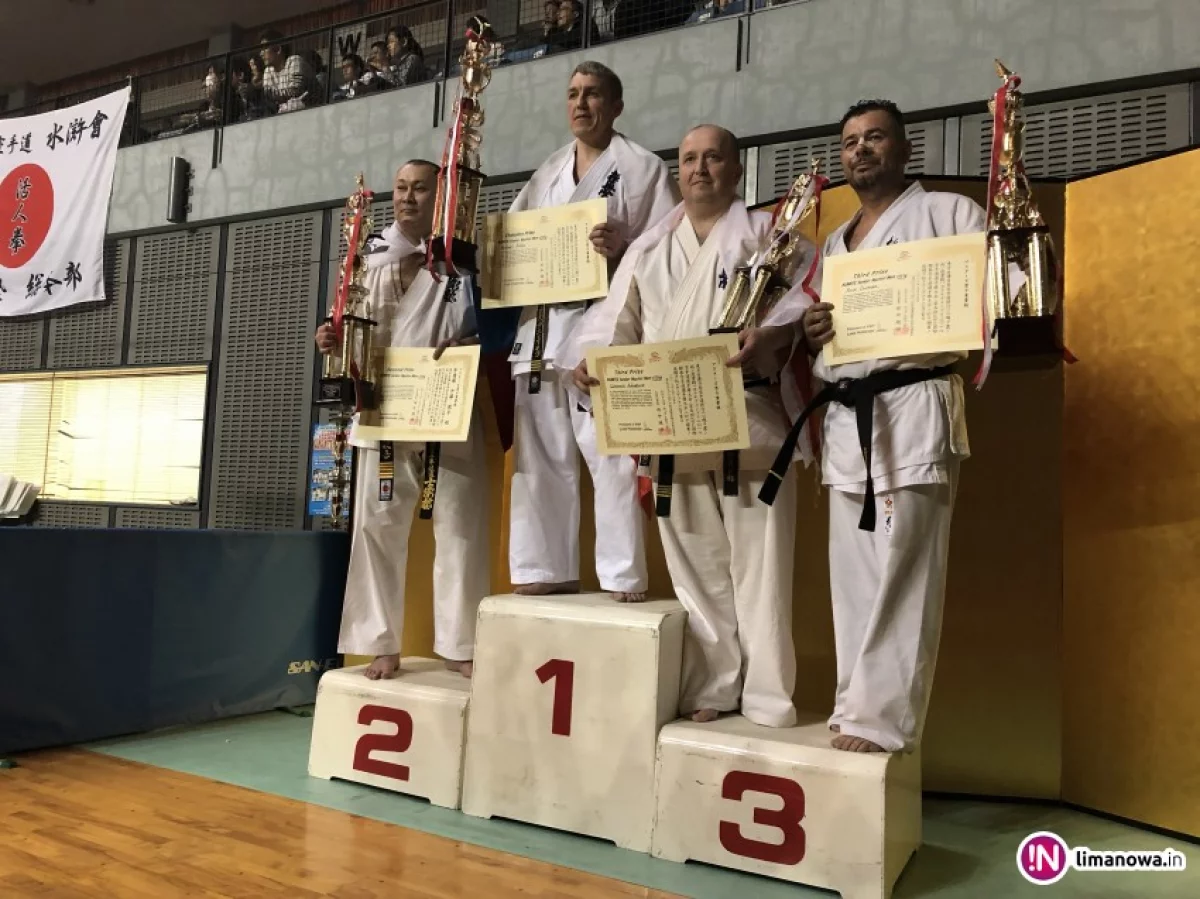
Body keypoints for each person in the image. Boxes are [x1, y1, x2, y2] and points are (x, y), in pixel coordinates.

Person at [566, 125, 818, 728]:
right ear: (677, 172)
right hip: (668, 426)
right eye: (688, 160)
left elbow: (806, 302)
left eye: (712, 158)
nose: (699, 169)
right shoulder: (651, 246)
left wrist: (776, 336)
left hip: (748, 422)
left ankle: (767, 699)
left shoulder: (769, 236)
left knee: (762, 573)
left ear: (736, 170)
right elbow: (614, 321)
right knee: (696, 570)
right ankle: (715, 682)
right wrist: (591, 362)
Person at [797, 100, 984, 752]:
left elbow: (994, 301)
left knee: (906, 574)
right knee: (851, 579)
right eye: (849, 142)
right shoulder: (834, 241)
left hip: (913, 409)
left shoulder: (951, 215)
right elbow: (826, 341)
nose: (860, 150)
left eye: (875, 138)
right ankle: (854, 702)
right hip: (849, 418)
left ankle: (884, 721)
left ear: (904, 149)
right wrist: (815, 331)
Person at [495, 61, 679, 604]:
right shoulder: (548, 171)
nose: (581, 103)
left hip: (602, 329)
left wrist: (623, 245)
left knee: (609, 454)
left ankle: (622, 574)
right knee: (540, 458)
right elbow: (511, 248)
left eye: (594, 94)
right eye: (573, 94)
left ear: (616, 106)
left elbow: (665, 249)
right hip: (541, 330)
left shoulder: (643, 169)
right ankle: (544, 565)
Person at [316, 160, 490, 681]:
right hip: (385, 402)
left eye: (420, 189)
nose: (408, 197)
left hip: (447, 401)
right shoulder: (367, 255)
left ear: (440, 196)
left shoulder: (465, 255)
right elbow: (342, 321)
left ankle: (460, 642)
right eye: (400, 188)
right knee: (376, 526)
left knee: (460, 525)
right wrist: (330, 337)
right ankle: (378, 641)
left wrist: (473, 341)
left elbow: (494, 323)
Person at [257, 30, 318, 113]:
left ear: (278, 49)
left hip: (307, 110)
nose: (261, 54)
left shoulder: (294, 60)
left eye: (265, 49)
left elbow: (295, 91)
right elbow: (269, 100)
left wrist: (268, 92)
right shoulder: (268, 71)